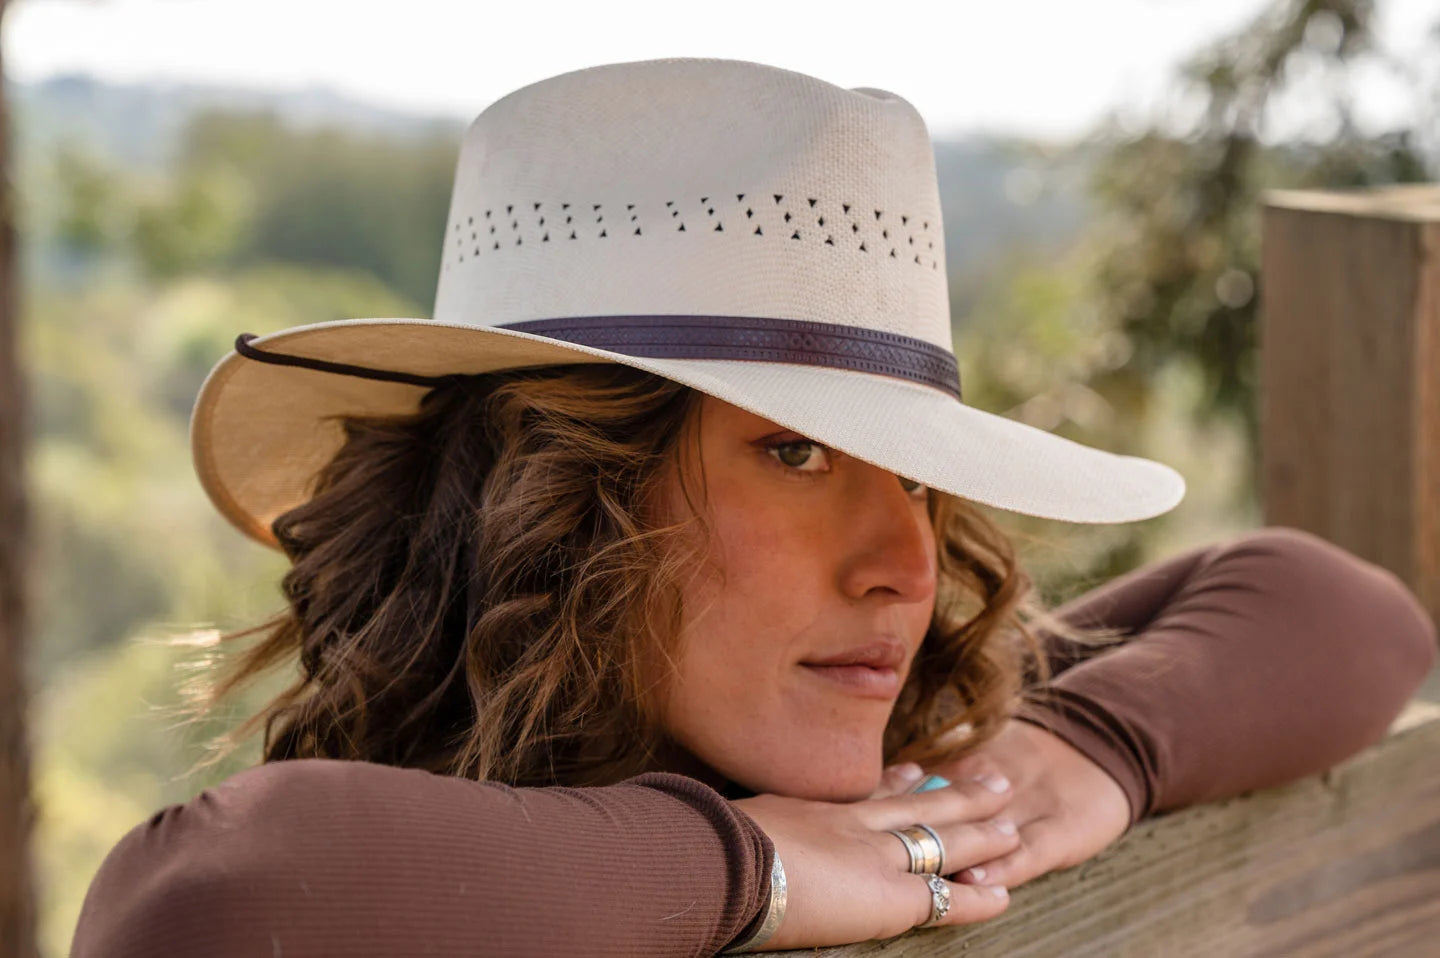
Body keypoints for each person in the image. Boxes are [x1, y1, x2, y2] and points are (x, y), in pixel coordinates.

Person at [70, 58, 1436, 957]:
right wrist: (752, 861)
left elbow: (1347, 611)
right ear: (557, 499)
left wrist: (1082, 757)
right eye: (796, 452)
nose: (908, 563)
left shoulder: (896, 755)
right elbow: (212, 892)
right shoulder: (415, 868)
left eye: (911, 473)